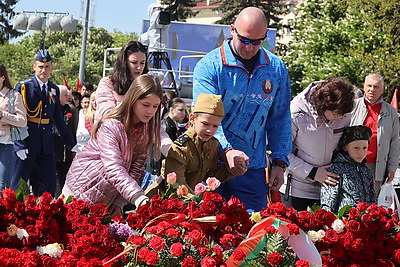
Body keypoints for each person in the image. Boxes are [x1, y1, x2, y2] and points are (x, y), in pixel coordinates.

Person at [192, 7, 291, 212]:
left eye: (257, 42)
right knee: (207, 234)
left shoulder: (276, 69)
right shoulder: (210, 66)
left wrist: (279, 162)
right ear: (232, 30)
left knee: (251, 235)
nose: (249, 47)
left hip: (252, 169)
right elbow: (204, 118)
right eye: (244, 40)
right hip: (210, 165)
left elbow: (280, 119)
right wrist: (227, 150)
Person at [62, 74, 162, 216]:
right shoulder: (111, 125)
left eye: (155, 106)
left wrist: (120, 202)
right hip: (80, 189)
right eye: (146, 105)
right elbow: (113, 167)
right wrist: (138, 197)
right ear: (132, 100)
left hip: (107, 196)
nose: (150, 111)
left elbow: (136, 167)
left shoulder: (145, 129)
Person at [279, 77, 355, 211]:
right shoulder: (295, 113)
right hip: (298, 190)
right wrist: (313, 172)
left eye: (345, 114)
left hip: (331, 190)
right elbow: (282, 153)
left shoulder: (344, 112)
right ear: (324, 106)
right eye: (338, 114)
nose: (342, 118)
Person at [10, 49, 78, 196]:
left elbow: (58, 120)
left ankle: (43, 217)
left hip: (46, 144)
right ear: (34, 66)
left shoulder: (53, 89)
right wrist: (18, 144)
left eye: (47, 67)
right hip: (26, 142)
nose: (44, 70)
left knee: (49, 186)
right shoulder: (24, 87)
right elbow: (17, 117)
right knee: (18, 186)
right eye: (41, 66)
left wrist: (71, 144)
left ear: (52, 68)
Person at [145, 93, 233, 196]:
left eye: (215, 126)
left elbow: (210, 174)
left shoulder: (213, 144)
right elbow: (178, 187)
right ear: (192, 119)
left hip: (186, 200)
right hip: (162, 200)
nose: (210, 130)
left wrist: (232, 169)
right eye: (205, 124)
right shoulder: (181, 147)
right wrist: (197, 204)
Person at [351, 74, 400, 196]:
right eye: (369, 86)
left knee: (372, 208)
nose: (372, 89)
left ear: (383, 89)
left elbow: (395, 142)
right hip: (352, 165)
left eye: (376, 87)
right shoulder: (352, 106)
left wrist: (392, 167)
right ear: (363, 87)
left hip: (377, 168)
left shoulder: (391, 111)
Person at [320, 125, 375, 212]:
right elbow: (328, 200)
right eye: (356, 148)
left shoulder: (366, 171)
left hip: (365, 221)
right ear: (345, 147)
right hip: (344, 220)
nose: (361, 152)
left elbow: (372, 199)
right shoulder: (336, 170)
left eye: (364, 148)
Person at [95, 40, 148, 124]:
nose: (139, 67)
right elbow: (106, 110)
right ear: (124, 62)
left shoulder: (146, 86)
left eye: (142, 63)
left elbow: (155, 125)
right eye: (134, 62)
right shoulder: (107, 83)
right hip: (110, 132)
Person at [0, 63, 27, 190]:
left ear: (2, 77)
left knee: (3, 185)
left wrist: (3, 115)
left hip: (5, 141)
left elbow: (22, 121)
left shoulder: (13, 95)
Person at [53, 85, 78, 196]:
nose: (68, 97)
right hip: (53, 149)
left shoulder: (71, 110)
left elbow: (73, 129)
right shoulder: (51, 107)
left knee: (65, 178)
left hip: (66, 150)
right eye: (65, 95)